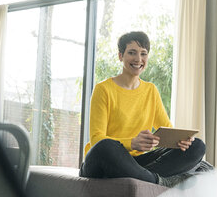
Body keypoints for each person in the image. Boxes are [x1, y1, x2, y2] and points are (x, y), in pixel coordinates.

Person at [79, 31, 206, 187]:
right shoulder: (103, 89)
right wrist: (132, 143)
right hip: (102, 162)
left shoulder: (150, 90)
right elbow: (96, 139)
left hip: (135, 164)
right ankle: (160, 181)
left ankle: (146, 177)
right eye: (132, 53)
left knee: (197, 146)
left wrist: (180, 141)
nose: (138, 59)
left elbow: (167, 130)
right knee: (106, 146)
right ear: (120, 56)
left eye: (143, 54)